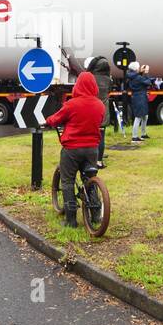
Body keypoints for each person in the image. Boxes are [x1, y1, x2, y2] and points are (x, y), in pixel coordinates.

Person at [44, 71, 106, 228]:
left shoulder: (71, 104)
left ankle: (71, 220)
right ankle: (96, 216)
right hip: (92, 149)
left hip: (72, 149)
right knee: (89, 179)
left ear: (78, 86)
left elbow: (56, 119)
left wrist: (48, 121)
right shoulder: (100, 105)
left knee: (67, 181)